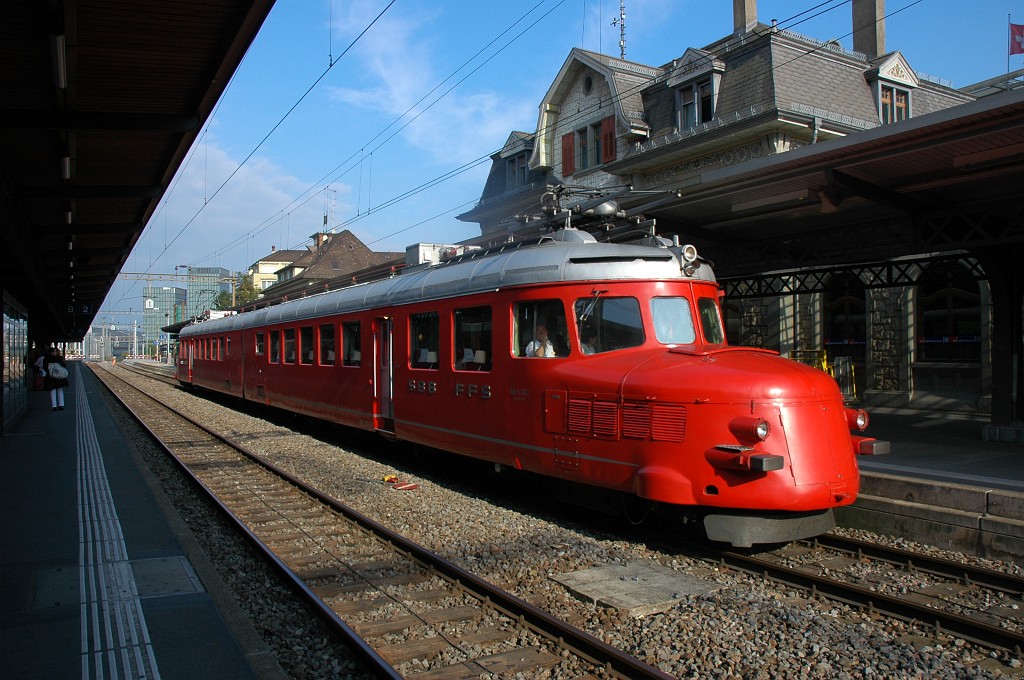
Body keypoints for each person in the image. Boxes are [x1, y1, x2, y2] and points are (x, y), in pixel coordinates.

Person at [44, 347, 69, 411]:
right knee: (60, 390)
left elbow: (45, 368)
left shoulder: (46, 358)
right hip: (59, 377)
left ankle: (54, 406)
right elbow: (64, 365)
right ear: (52, 352)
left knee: (53, 390)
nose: (56, 352)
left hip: (51, 377)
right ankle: (61, 405)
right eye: (55, 351)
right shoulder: (58, 358)